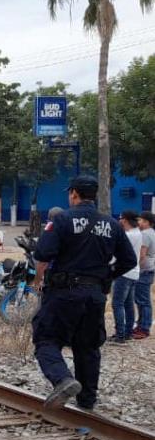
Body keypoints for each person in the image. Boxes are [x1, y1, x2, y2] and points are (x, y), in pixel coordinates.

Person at [31, 175, 136, 410]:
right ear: (95, 195)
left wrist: (38, 280)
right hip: (95, 295)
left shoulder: (61, 220)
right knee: (87, 347)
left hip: (63, 293)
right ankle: (87, 401)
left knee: (46, 339)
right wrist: (106, 275)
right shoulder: (112, 225)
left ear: (74, 194)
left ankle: (62, 379)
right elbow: (129, 260)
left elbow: (42, 256)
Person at [110, 210, 143, 343]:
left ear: (125, 220)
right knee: (129, 304)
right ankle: (128, 332)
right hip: (134, 272)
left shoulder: (128, 235)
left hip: (124, 273)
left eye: (120, 218)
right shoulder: (138, 233)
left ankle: (120, 335)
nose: (119, 220)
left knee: (117, 304)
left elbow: (115, 254)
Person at [133, 211, 155, 339]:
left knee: (143, 300)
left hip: (144, 271)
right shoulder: (152, 233)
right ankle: (141, 325)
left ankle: (144, 327)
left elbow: (142, 254)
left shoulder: (145, 234)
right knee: (143, 300)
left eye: (140, 220)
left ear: (147, 222)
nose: (138, 222)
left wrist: (135, 267)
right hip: (149, 270)